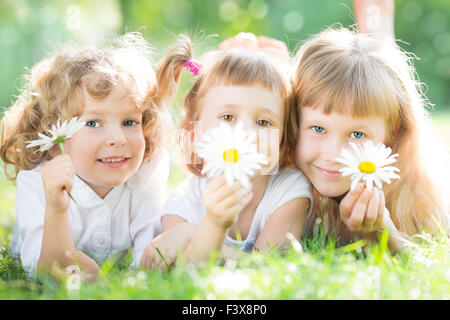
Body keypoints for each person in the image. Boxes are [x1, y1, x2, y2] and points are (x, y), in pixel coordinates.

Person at [0, 32, 187, 279]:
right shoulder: (36, 183)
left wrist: (134, 277)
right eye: (93, 123)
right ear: (55, 140)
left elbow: (151, 254)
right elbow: (41, 272)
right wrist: (56, 209)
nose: (118, 137)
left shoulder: (145, 172)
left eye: (129, 121)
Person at [140, 36, 313, 269]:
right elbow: (185, 273)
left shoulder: (289, 191)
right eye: (228, 117)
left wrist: (197, 233)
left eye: (263, 122)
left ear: (284, 141)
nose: (245, 133)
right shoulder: (182, 204)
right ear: (194, 135)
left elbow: (268, 270)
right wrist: (213, 222)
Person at [292, 27, 450, 252]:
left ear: (392, 134)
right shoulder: (276, 185)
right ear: (292, 120)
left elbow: (426, 274)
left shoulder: (422, 196)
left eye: (357, 135)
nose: (333, 154)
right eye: (318, 128)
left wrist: (383, 233)